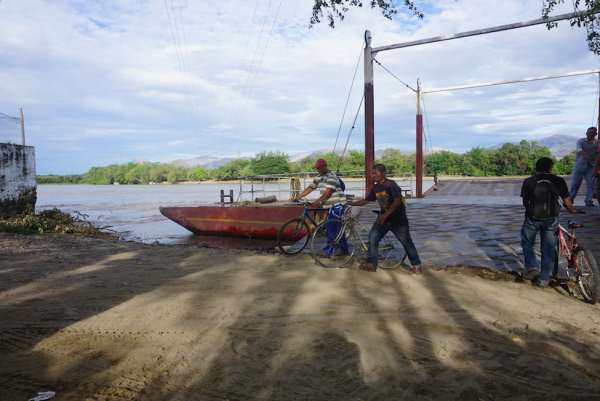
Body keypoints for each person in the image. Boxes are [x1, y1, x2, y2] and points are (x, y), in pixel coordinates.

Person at [349, 164, 422, 273]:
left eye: (375, 173)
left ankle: (417, 266)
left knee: (406, 241)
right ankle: (372, 264)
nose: (373, 176)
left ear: (383, 173)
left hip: (398, 219)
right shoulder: (375, 187)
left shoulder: (391, 185)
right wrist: (352, 203)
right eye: (372, 173)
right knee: (373, 238)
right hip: (383, 218)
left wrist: (385, 215)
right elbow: (366, 200)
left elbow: (397, 201)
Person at [521, 157, 582, 288]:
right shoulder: (558, 180)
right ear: (550, 167)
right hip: (551, 219)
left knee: (527, 242)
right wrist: (573, 210)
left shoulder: (528, 181)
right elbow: (567, 202)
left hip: (532, 218)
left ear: (536, 168)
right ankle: (544, 280)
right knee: (548, 248)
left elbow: (525, 203)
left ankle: (532, 267)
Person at [294, 158, 348, 258]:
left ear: (324, 167)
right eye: (316, 168)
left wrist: (316, 202)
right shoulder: (319, 177)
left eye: (319, 168)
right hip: (329, 205)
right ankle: (344, 249)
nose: (317, 170)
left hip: (337, 205)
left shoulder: (331, 177)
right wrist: (298, 196)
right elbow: (310, 187)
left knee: (331, 228)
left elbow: (328, 193)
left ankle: (328, 251)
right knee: (338, 228)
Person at [569, 126, 599, 206]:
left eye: (592, 133)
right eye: (588, 133)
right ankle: (570, 199)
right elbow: (580, 151)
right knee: (575, 184)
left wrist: (595, 165)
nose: (589, 134)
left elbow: (598, 155)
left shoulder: (597, 143)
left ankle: (589, 201)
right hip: (579, 166)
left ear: (595, 134)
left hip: (590, 167)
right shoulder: (581, 141)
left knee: (591, 184)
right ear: (586, 133)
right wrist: (589, 158)